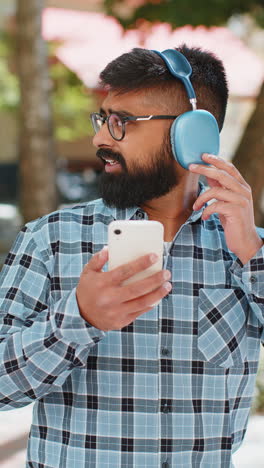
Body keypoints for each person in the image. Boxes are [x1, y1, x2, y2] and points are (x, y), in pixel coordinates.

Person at [0, 45, 263, 468]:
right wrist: (78, 320)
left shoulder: (250, 252)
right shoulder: (50, 239)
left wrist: (254, 254)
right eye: (103, 119)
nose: (100, 138)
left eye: (122, 122)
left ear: (192, 134)